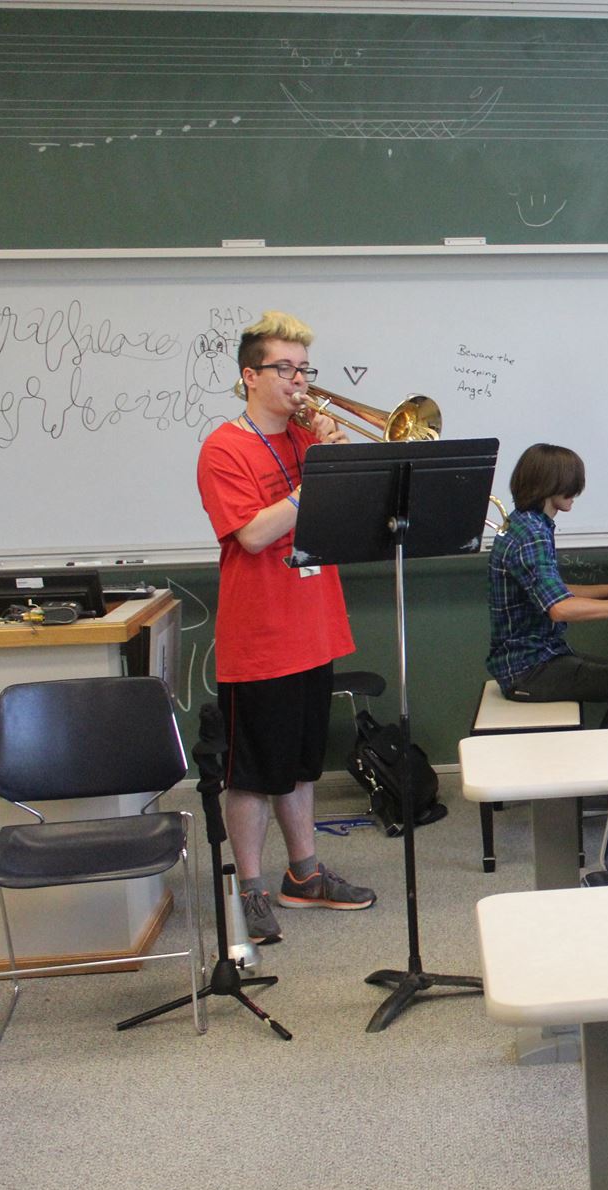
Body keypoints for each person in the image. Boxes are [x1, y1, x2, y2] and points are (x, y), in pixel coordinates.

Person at [196, 311, 376, 945]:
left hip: (316, 625)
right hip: (262, 637)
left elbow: (349, 524)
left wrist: (338, 464)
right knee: (252, 773)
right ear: (251, 376)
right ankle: (248, 887)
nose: (300, 381)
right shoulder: (223, 448)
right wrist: (314, 478)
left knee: (301, 768)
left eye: (304, 368)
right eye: (285, 368)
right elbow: (252, 534)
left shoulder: (306, 440)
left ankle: (304, 875)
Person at [487, 442, 608, 727]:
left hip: (535, 659)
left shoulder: (525, 523)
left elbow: (554, 591)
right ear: (549, 485)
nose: (576, 493)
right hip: (529, 670)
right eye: (570, 486)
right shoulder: (532, 534)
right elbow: (560, 608)